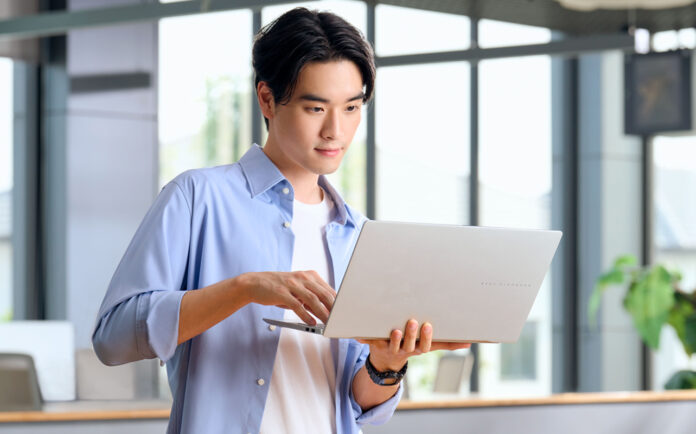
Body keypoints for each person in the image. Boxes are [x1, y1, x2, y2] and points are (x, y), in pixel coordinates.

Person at [92, 7, 469, 434]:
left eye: (351, 107)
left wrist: (388, 364)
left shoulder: (358, 234)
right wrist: (245, 288)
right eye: (315, 108)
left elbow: (356, 402)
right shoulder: (197, 198)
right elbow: (112, 338)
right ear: (267, 98)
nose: (336, 131)